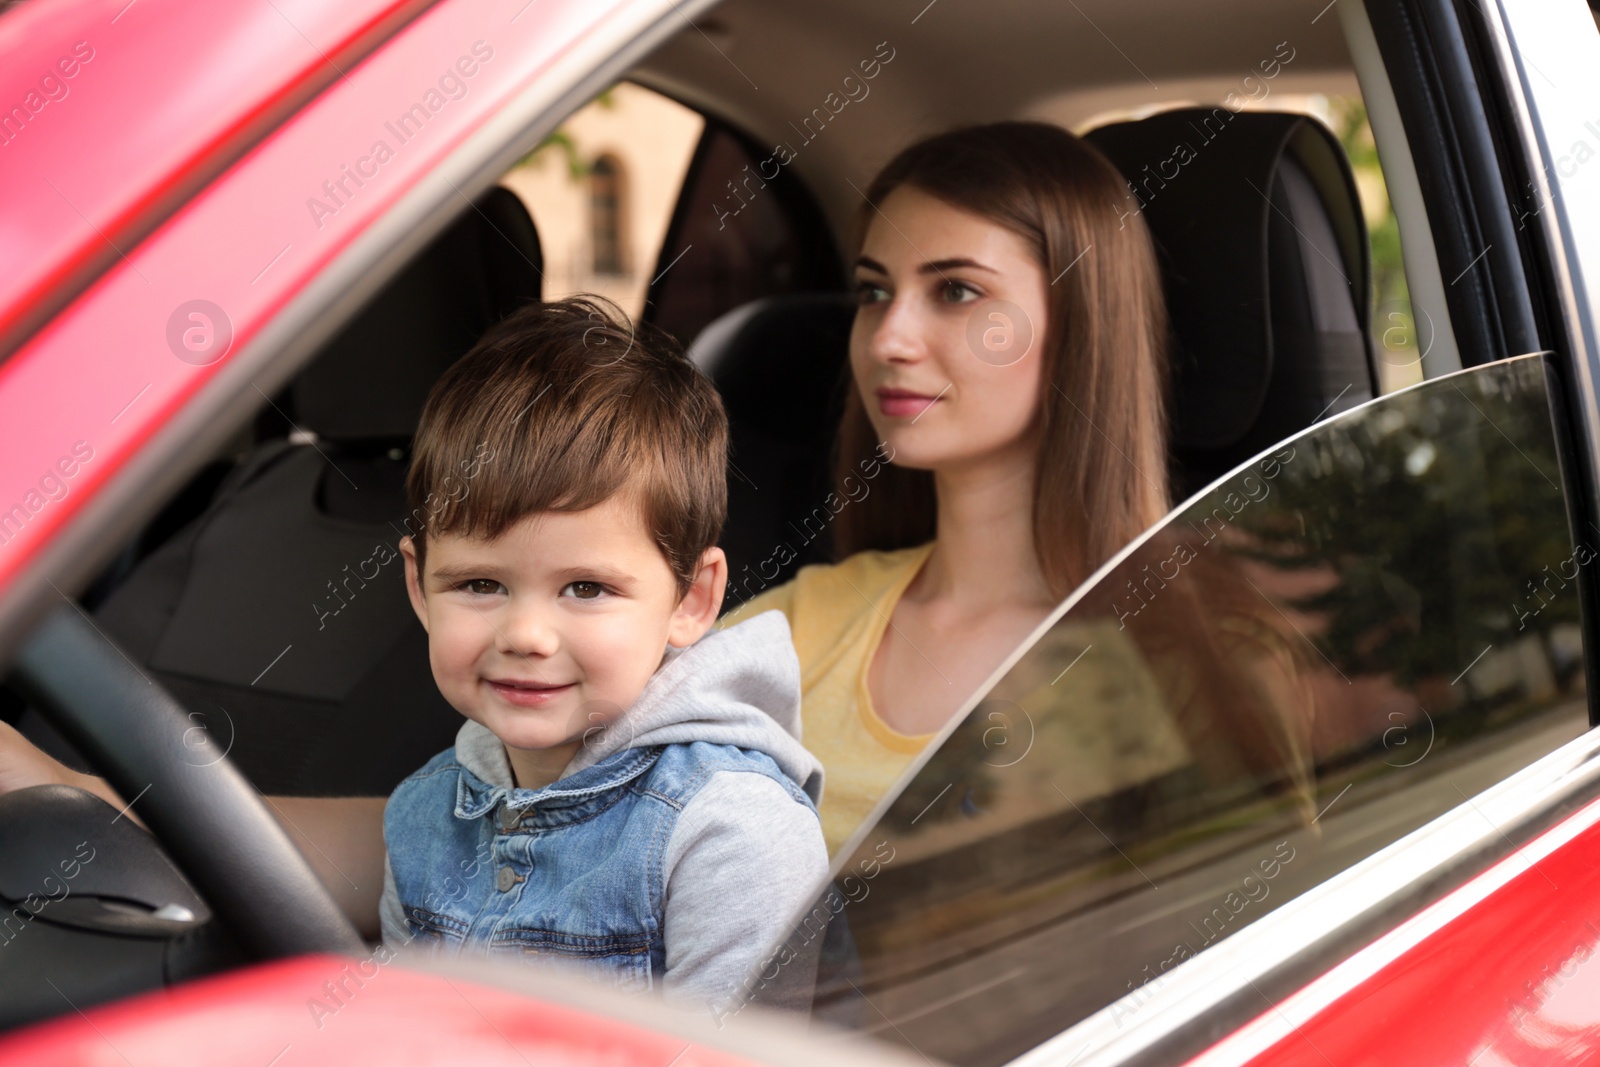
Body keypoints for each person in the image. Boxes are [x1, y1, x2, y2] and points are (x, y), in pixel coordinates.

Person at [0, 120, 1202, 923]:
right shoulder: (793, 627)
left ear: (1082, 323)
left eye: (956, 292)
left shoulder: (1191, 654)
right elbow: (490, 831)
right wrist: (83, 797)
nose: (887, 335)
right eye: (878, 287)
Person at [371, 296, 826, 1012]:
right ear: (419, 586)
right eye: (479, 583)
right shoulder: (423, 815)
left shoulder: (731, 833)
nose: (526, 635)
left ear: (690, 600)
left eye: (586, 588)